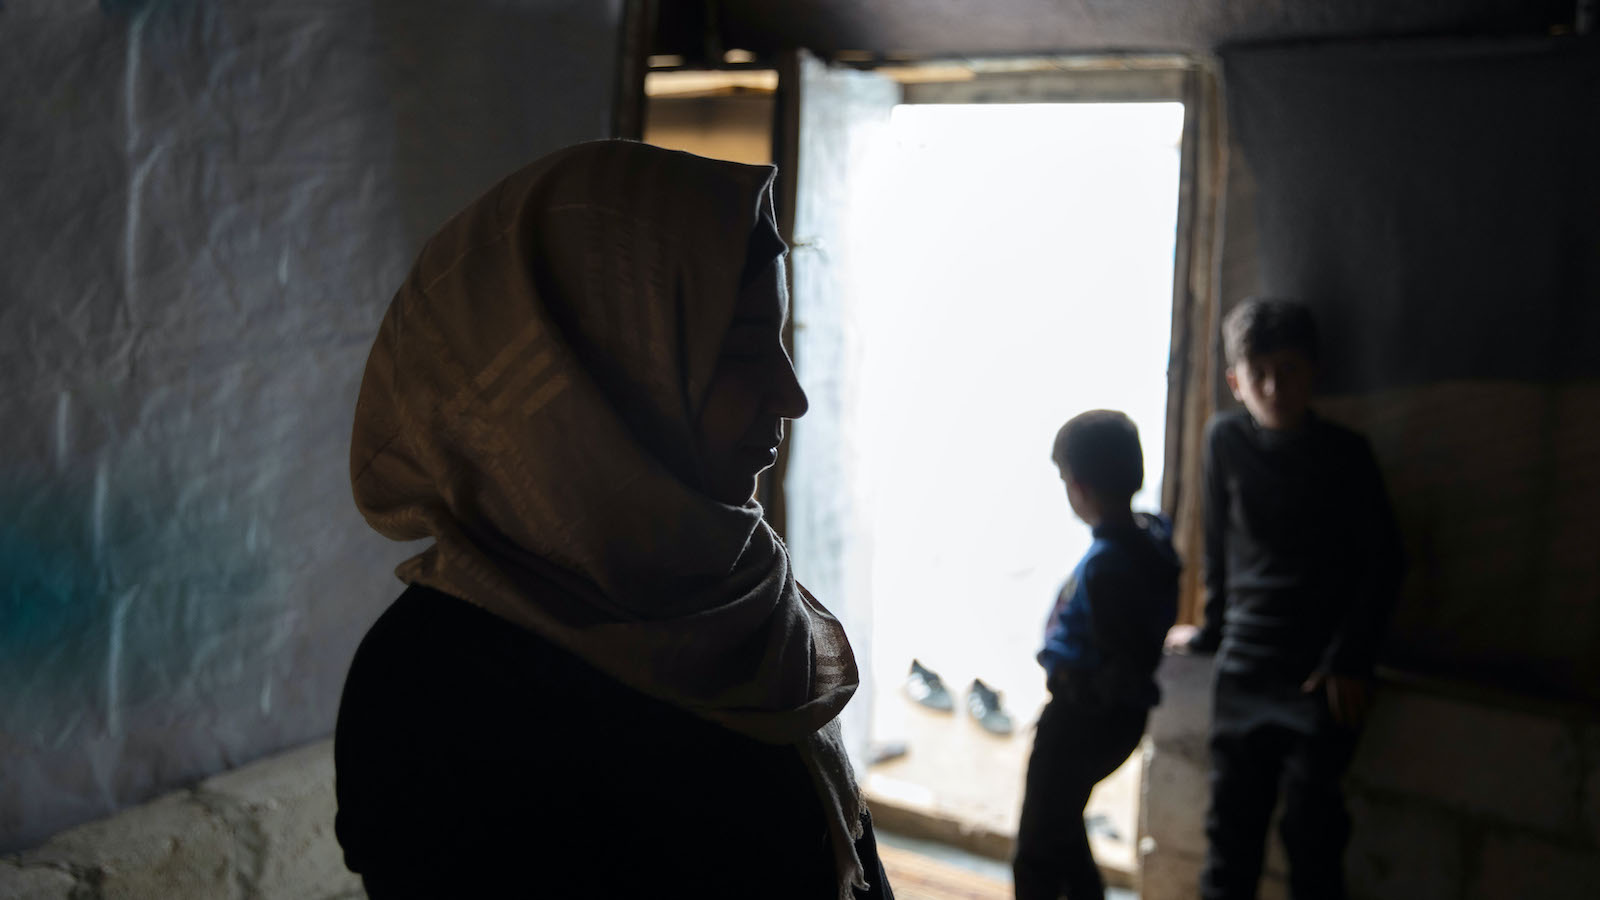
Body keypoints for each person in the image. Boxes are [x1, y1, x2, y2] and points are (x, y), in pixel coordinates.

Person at [333, 140, 893, 900]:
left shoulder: (731, 595)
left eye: (782, 346)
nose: (791, 395)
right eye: (741, 350)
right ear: (593, 375)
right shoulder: (439, 697)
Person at [1167, 298, 1405, 900]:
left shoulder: (1346, 456)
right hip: (1244, 666)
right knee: (1230, 838)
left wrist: (1351, 657)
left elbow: (1384, 563)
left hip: (1316, 678)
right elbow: (1217, 550)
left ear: (1314, 372)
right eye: (1259, 373)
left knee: (1313, 835)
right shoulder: (1223, 441)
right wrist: (1210, 632)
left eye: (1290, 369)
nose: (1275, 386)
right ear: (1235, 381)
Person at [1014, 410, 1179, 900]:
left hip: (1080, 721)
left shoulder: (1108, 566)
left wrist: (1070, 689)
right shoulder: (1154, 535)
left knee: (1038, 847)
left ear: (1079, 488)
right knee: (1062, 828)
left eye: (1065, 480)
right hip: (1116, 723)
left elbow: (1118, 661)